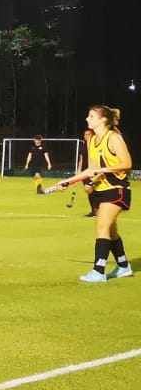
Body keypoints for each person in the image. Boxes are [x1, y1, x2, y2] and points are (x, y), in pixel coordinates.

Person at [55, 105, 131, 283]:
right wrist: (68, 181)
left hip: (117, 190)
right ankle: (123, 266)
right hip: (100, 191)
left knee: (102, 227)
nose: (87, 119)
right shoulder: (92, 140)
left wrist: (104, 169)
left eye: (91, 116)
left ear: (103, 119)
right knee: (111, 231)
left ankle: (99, 271)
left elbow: (127, 163)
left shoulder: (113, 138)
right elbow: (91, 169)